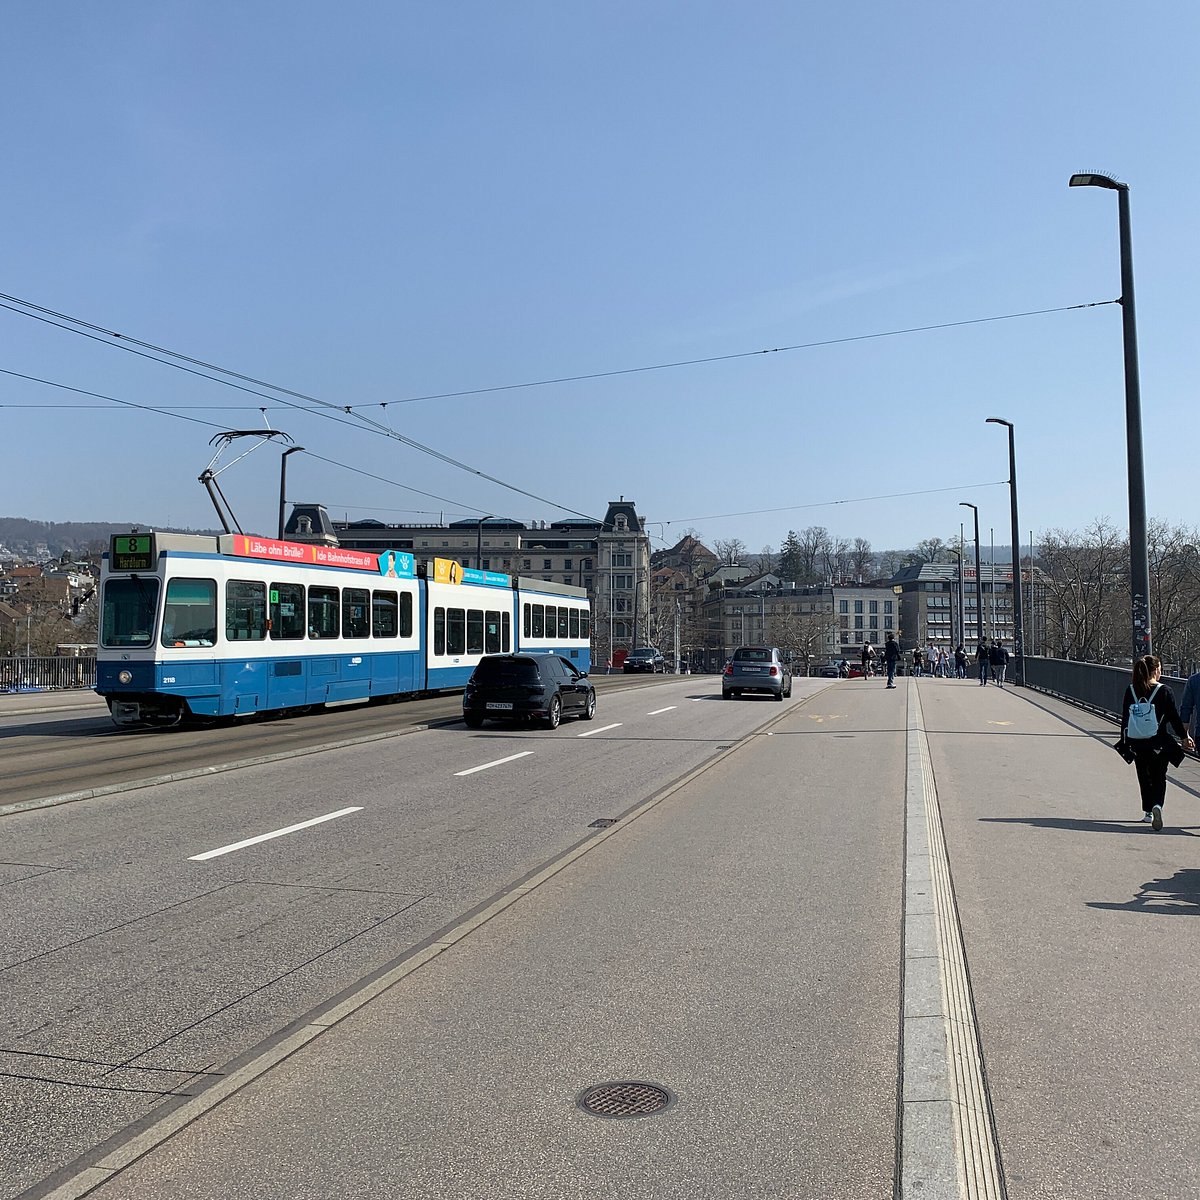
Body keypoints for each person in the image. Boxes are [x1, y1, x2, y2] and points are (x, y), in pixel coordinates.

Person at [1118, 655, 1193, 829]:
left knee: (1144, 777)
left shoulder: (1131, 690)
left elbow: (1125, 718)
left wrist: (1124, 741)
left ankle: (1147, 812)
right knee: (1159, 777)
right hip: (1159, 742)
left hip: (1137, 742)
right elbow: (1174, 718)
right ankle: (1157, 805)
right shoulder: (1165, 691)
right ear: (1156, 670)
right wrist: (1184, 737)